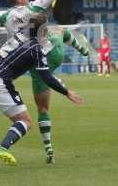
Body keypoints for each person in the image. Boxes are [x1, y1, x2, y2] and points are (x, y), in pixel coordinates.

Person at [0, 13, 83, 172]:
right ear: (43, 29)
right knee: (25, 121)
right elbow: (47, 77)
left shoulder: (18, 34)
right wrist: (66, 92)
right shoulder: (37, 49)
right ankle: (3, 147)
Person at [30, 26, 89, 163]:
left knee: (42, 108)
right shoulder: (55, 29)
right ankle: (83, 50)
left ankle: (48, 148)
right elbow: (64, 32)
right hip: (57, 49)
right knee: (62, 30)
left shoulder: (21, 37)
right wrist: (82, 49)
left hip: (38, 61)